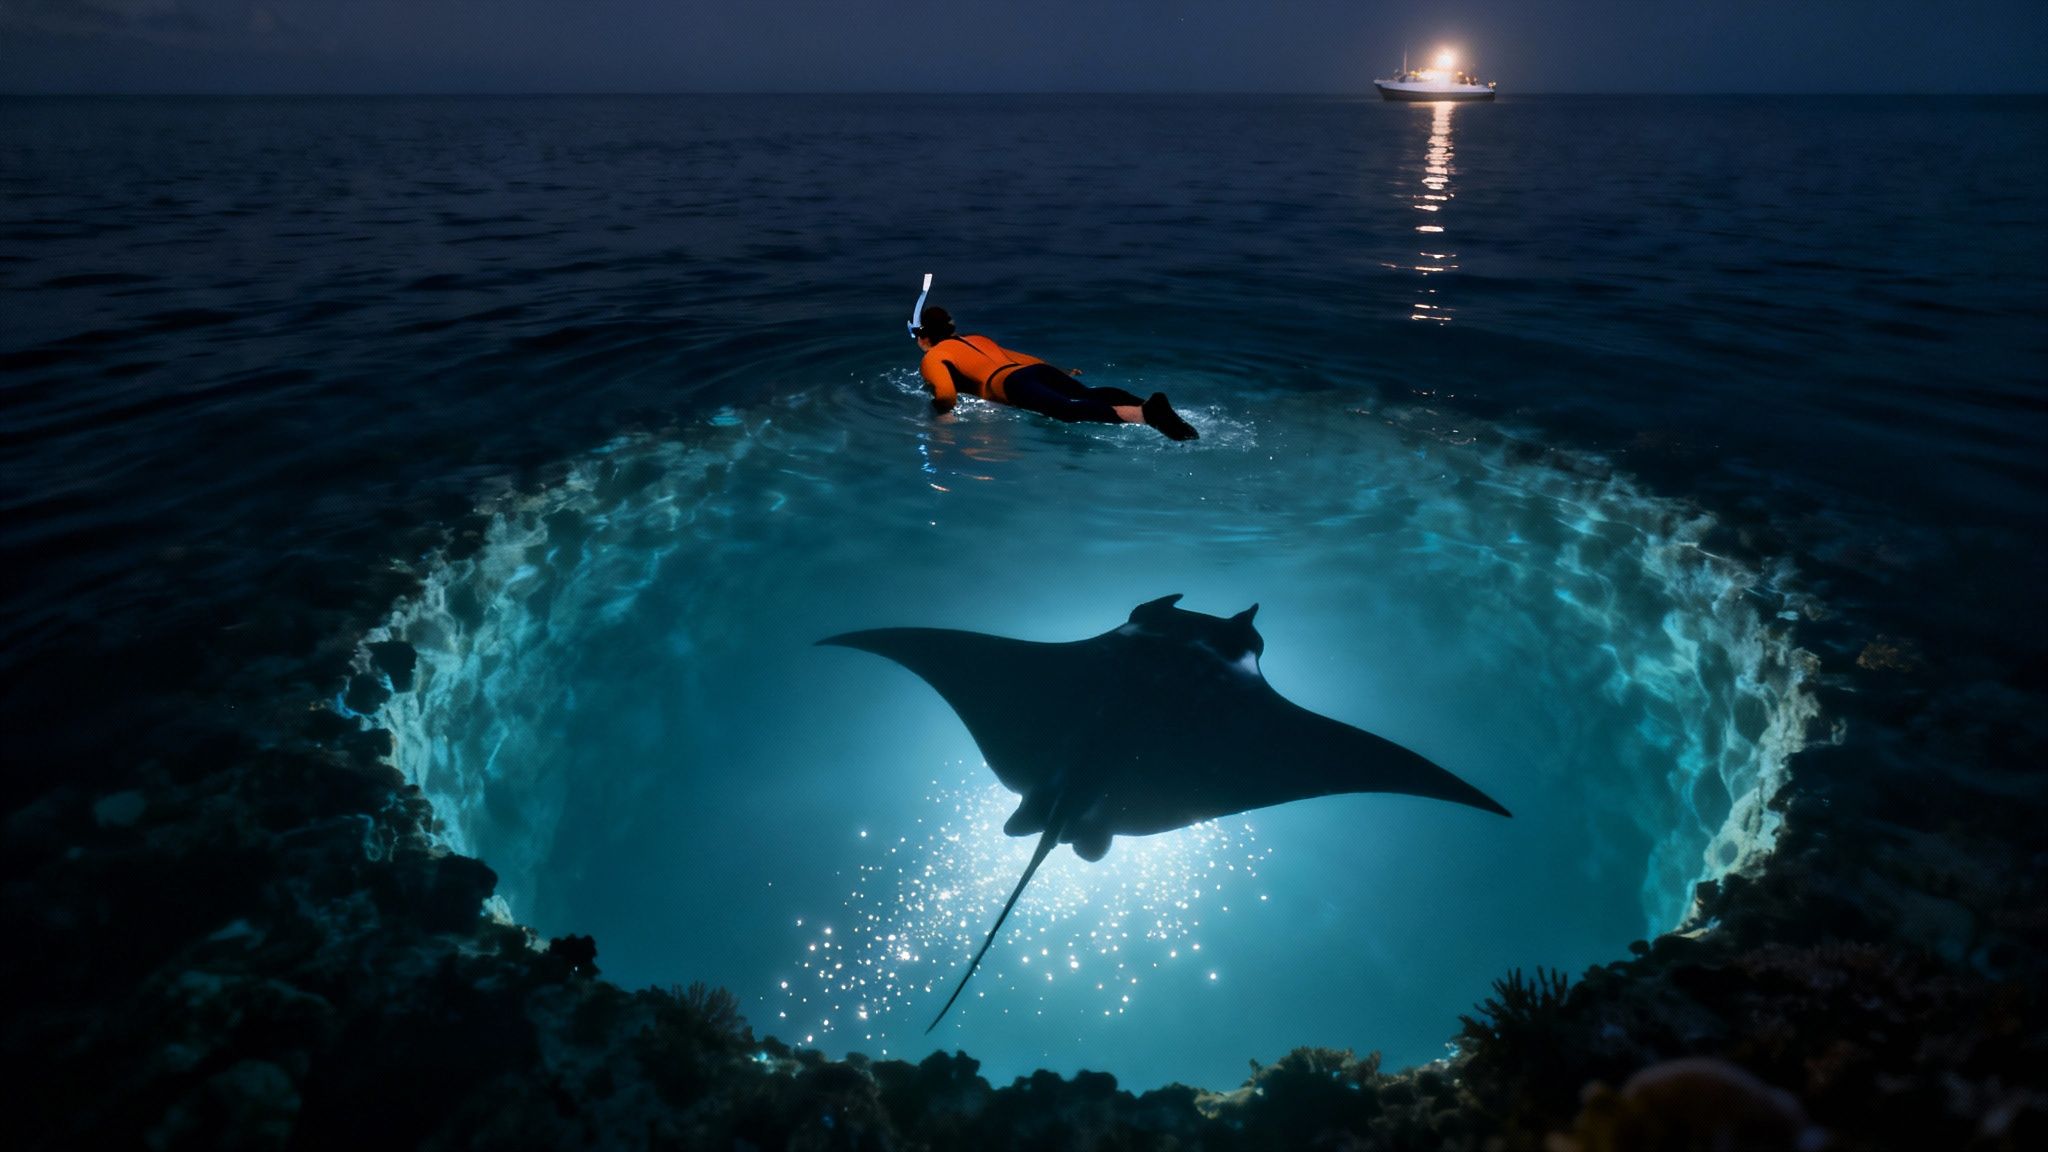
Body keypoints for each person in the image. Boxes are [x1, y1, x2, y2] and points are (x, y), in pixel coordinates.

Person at [911, 306, 1198, 441]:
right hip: (1032, 371)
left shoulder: (934, 356)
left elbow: (946, 393)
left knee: (1065, 411)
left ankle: (1146, 415)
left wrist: (942, 418)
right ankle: (1144, 404)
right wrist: (1060, 371)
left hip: (1010, 383)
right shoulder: (976, 338)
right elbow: (1022, 358)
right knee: (1087, 393)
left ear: (924, 339)